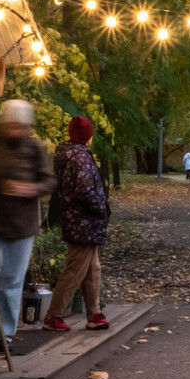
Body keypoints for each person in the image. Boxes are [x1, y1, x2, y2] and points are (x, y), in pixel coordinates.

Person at [0, 100, 56, 355]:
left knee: (11, 282)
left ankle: (3, 334)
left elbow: (49, 180)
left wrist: (32, 189)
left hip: (22, 226)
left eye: (20, 126)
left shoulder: (34, 149)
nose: (15, 130)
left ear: (27, 126)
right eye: (11, 125)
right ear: (3, 123)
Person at [43, 117, 111, 333]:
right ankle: (54, 316)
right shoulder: (79, 157)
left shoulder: (71, 154)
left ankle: (94, 314)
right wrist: (102, 208)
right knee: (76, 269)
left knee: (93, 269)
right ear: (86, 135)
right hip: (84, 222)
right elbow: (84, 191)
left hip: (80, 221)